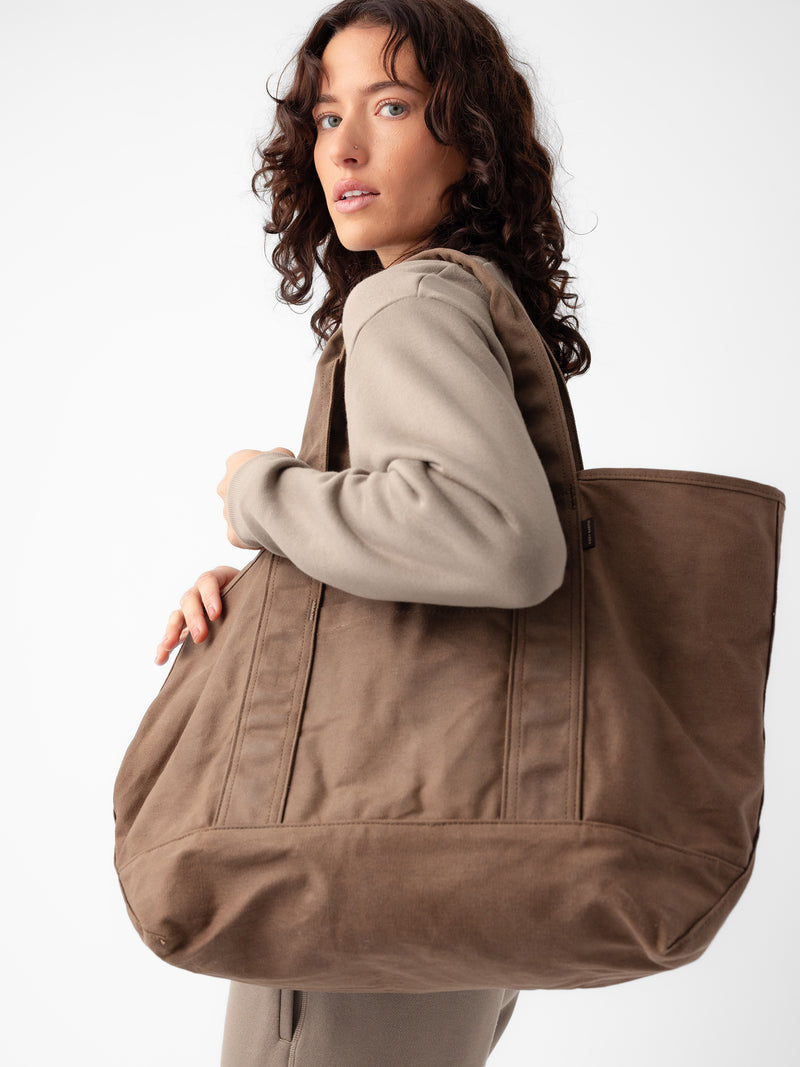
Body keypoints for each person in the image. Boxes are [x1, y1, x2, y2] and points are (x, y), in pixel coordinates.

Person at [154, 1, 590, 1063]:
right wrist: (265, 587)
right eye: (322, 115)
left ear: (466, 139)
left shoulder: (404, 305)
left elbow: (498, 541)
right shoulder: (473, 302)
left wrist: (264, 491)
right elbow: (439, 546)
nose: (341, 147)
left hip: (362, 853)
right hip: (454, 853)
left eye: (389, 106)